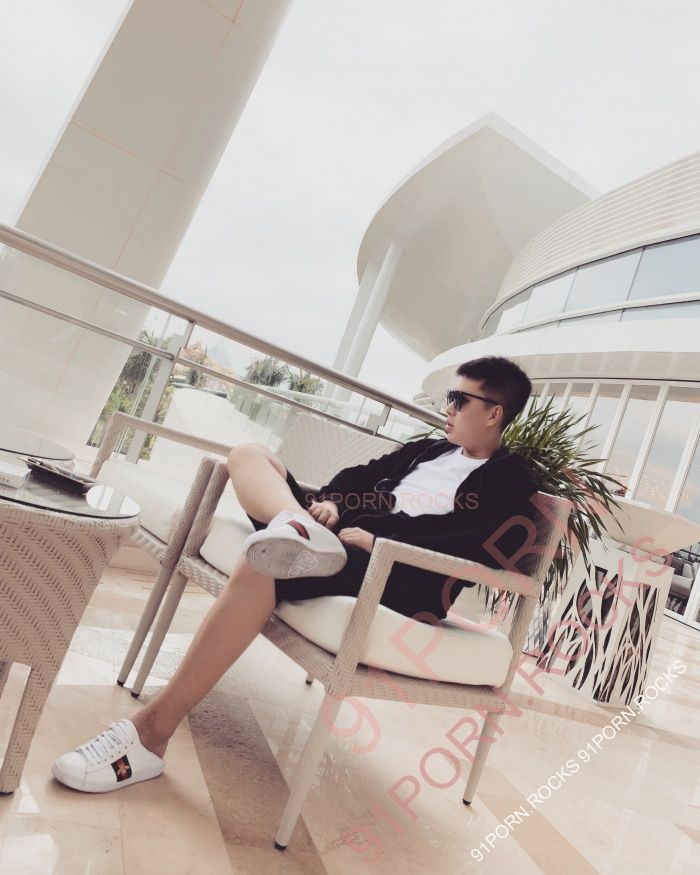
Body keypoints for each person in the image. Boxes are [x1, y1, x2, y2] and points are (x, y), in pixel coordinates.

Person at [52, 355, 539, 793]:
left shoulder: (511, 476)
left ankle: (151, 734)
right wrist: (331, 505)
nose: (447, 408)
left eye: (459, 399)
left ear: (493, 413)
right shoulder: (428, 451)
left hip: (394, 573)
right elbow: (356, 478)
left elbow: (487, 545)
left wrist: (381, 539)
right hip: (337, 539)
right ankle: (296, 527)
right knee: (248, 453)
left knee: (266, 559)